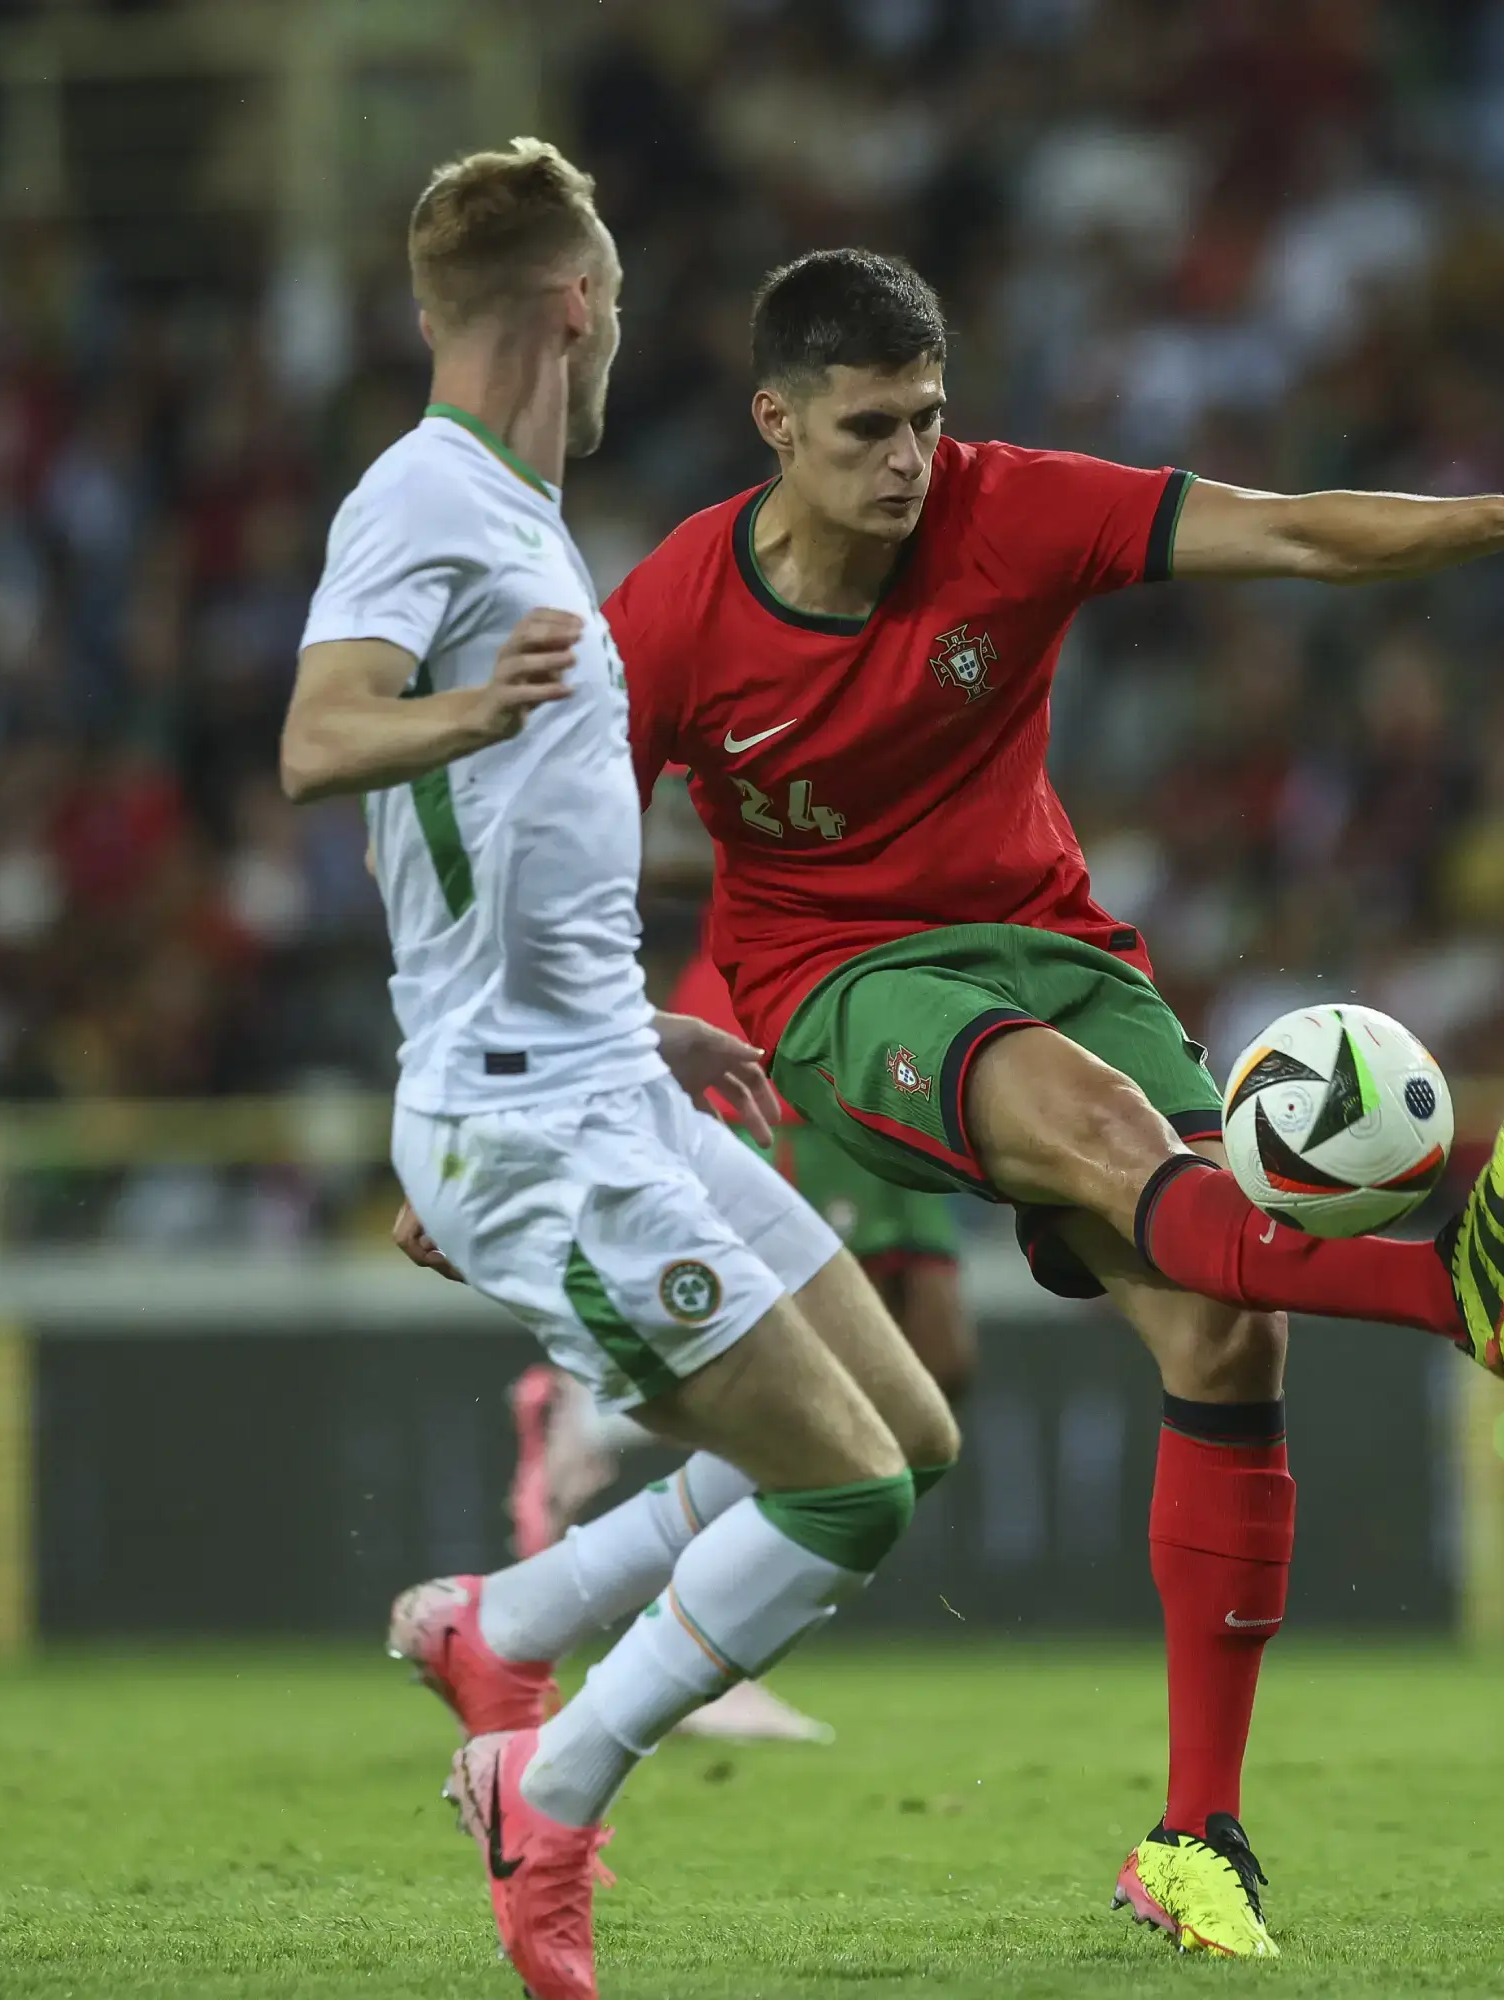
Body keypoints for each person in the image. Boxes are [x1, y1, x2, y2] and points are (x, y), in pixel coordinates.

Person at [605, 246, 1504, 1956]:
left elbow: (1288, 530)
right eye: (867, 428)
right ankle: (1448, 1287)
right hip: (840, 982)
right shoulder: (677, 612)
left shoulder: (1015, 507)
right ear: (775, 420)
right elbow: (555, 853)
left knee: (1225, 1335)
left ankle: (1195, 1837)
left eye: (926, 419)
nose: (908, 460)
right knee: (1133, 1160)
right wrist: (546, 1059)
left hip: (1052, 944)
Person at [279, 143, 960, 2000]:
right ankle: (550, 1784)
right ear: (575, 307)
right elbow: (319, 740)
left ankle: (503, 1629)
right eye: (619, 308)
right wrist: (467, 709)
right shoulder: (425, 500)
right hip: (528, 1115)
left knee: (910, 1435)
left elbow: (479, 839)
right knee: (849, 1499)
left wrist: (631, 1016)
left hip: (598, 1072)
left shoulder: (510, 506)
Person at [503, 946, 979, 1744]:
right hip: (792, 1042)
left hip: (910, 1042)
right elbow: (699, 848)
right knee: (807, 1386)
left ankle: (591, 1462)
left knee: (932, 1370)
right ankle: (700, 1655)